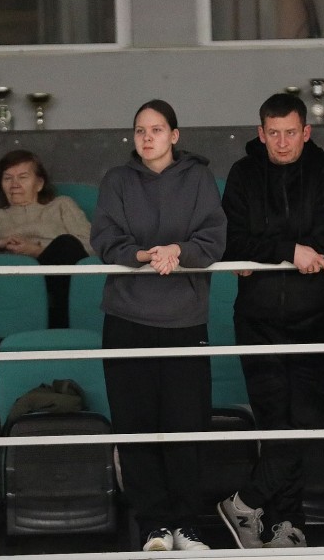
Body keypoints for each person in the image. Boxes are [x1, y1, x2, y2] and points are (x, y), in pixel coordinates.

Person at [90, 99, 226, 552]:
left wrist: (178, 251)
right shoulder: (116, 180)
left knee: (186, 425)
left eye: (157, 129)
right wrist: (143, 255)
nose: (147, 138)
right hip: (126, 318)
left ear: (175, 135)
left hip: (184, 319)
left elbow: (213, 237)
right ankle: (153, 526)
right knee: (136, 426)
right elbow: (104, 237)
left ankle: (187, 526)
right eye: (140, 130)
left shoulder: (199, 178)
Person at [217, 93, 324, 549]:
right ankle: (288, 527)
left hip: (315, 319)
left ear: (306, 132)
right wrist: (290, 250)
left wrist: (263, 250)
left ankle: (245, 502)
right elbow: (231, 240)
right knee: (276, 424)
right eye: (273, 133)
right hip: (258, 320)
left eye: (291, 132)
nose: (282, 142)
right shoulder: (242, 173)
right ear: (261, 133)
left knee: (308, 420)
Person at [0, 149, 93, 327]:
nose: (14, 184)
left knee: (66, 244)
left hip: (54, 273)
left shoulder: (61, 205)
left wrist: (37, 250)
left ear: (39, 184)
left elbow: (92, 245)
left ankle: (64, 327)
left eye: (22, 177)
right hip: (12, 282)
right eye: (7, 178)